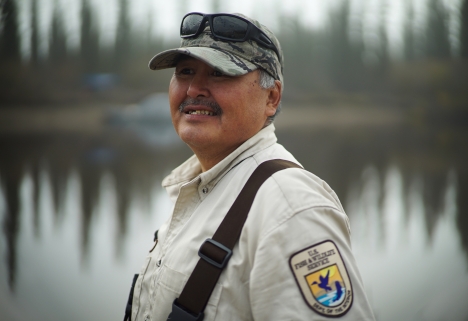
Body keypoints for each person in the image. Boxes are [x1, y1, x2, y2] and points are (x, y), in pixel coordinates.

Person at [128, 12, 375, 321]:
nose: (193, 89)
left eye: (219, 73)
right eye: (186, 71)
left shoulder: (291, 209)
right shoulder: (202, 187)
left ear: (272, 97)